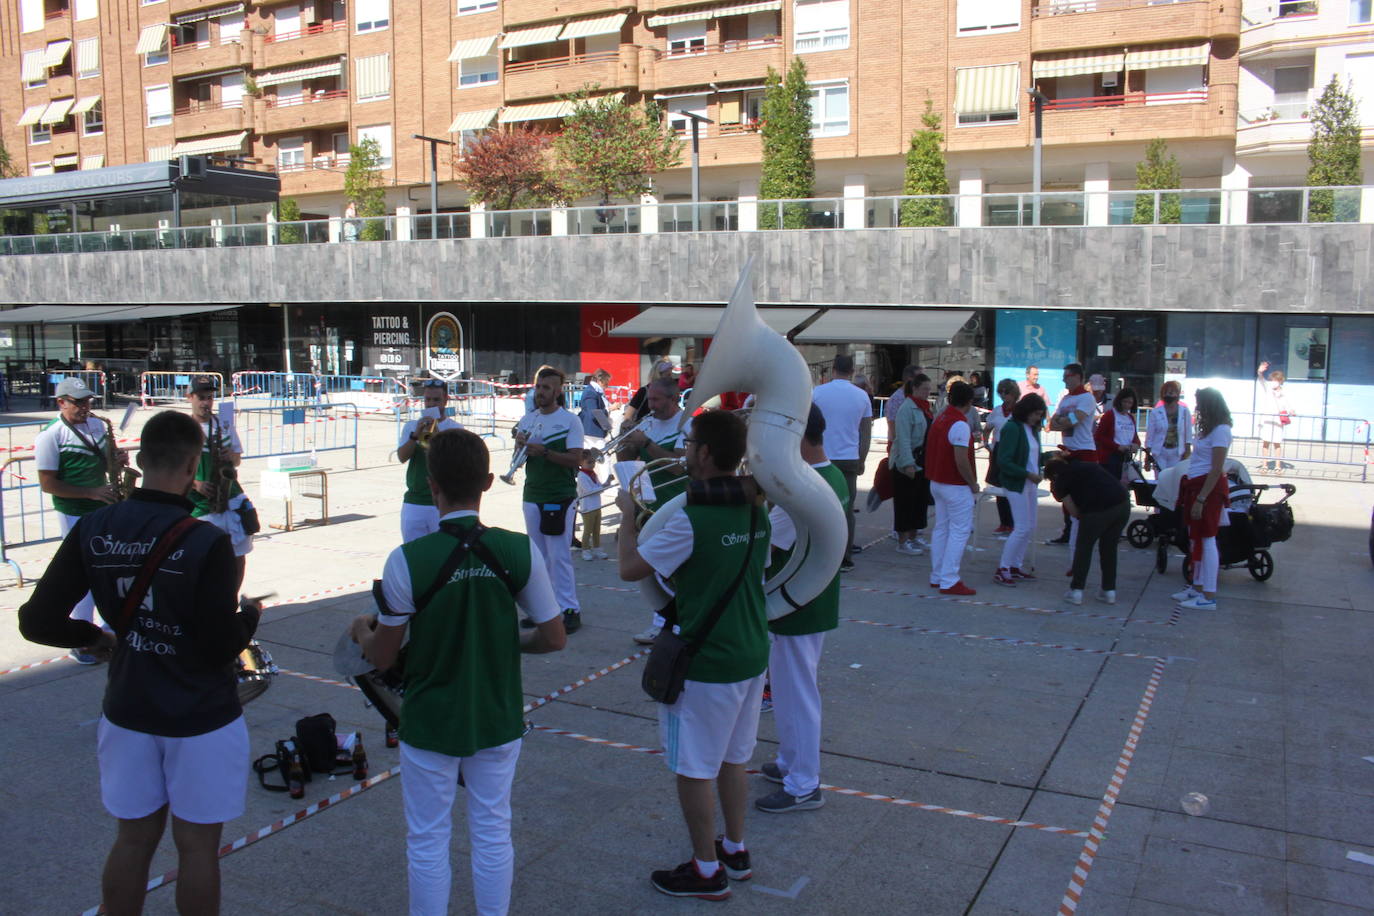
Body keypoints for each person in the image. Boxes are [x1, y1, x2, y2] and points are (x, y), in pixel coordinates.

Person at [19, 410, 261, 916]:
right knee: (197, 848)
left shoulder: (96, 526)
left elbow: (37, 619)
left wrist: (96, 636)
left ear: (139, 459)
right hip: (200, 714)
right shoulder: (204, 540)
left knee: (133, 840)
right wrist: (249, 619)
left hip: (129, 707)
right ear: (194, 462)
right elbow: (219, 647)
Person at [350, 428, 566, 916]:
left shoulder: (406, 560)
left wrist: (359, 632)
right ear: (488, 482)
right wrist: (504, 641)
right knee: (493, 831)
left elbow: (382, 658)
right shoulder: (519, 550)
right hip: (497, 714)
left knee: (427, 839)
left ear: (431, 485)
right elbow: (553, 638)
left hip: (429, 718)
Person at [616, 409, 770, 900]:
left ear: (704, 453)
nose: (684, 451)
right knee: (734, 759)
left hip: (707, 664)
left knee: (693, 768)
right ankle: (735, 849)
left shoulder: (689, 517)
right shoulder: (756, 509)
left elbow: (629, 568)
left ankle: (706, 871)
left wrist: (626, 516)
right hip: (750, 654)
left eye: (689, 444)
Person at [756, 405, 846, 813]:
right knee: (794, 693)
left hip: (797, 606)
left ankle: (804, 783)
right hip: (807, 602)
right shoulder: (832, 475)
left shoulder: (808, 487)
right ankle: (791, 763)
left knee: (797, 696)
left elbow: (766, 546)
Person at [34, 376, 125, 660]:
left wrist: (117, 460)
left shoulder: (98, 425)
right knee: (83, 578)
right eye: (78, 402)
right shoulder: (50, 436)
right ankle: (82, 641)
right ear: (61, 402)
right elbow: (48, 484)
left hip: (103, 508)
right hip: (74, 514)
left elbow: (107, 459)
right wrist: (90, 493)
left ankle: (109, 631)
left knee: (110, 572)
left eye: (87, 401)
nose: (85, 407)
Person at [515, 366, 585, 634]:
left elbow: (575, 459)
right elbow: (517, 461)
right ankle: (544, 610)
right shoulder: (528, 419)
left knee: (559, 556)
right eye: (538, 387)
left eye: (546, 388)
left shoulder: (569, 421)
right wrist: (520, 446)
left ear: (558, 392)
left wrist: (544, 452)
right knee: (538, 557)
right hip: (532, 494)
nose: (540, 392)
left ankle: (570, 610)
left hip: (559, 495)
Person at [622, 377, 690, 645]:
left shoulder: (687, 424)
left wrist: (646, 442)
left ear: (673, 399)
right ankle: (661, 622)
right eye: (649, 399)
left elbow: (680, 466)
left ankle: (675, 622)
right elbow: (625, 461)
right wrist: (627, 441)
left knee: (675, 573)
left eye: (656, 400)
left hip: (675, 505)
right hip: (648, 506)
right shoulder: (647, 423)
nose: (650, 405)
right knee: (651, 571)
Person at [186, 376, 257, 589]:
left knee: (238, 556)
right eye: (201, 398)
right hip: (201, 503)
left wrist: (230, 456)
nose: (206, 403)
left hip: (230, 497)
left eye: (210, 398)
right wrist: (195, 484)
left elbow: (237, 459)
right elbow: (174, 466)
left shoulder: (224, 424)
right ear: (190, 397)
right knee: (204, 560)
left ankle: (230, 604)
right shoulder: (184, 428)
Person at [1174, 388, 1233, 611]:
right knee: (1195, 538)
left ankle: (1208, 594)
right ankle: (1197, 585)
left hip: (1207, 488)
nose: (1197, 408)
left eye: (1200, 404)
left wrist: (1201, 498)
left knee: (1207, 539)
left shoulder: (1221, 430)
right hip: (1196, 484)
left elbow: (1216, 468)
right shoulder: (1208, 430)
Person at [811, 354, 871, 571]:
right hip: (849, 459)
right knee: (846, 509)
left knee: (816, 506)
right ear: (852, 371)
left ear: (833, 369)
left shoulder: (817, 393)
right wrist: (862, 460)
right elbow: (865, 433)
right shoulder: (862, 396)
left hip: (819, 458)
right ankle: (844, 558)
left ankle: (817, 553)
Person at [1044, 455, 1130, 606]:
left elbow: (1074, 512)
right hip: (1122, 504)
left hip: (1096, 511)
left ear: (1053, 475)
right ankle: (1109, 591)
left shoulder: (1060, 482)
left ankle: (1076, 591)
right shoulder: (1086, 464)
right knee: (1109, 549)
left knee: (1084, 549)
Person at [926, 381, 980, 596]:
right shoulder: (959, 424)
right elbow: (961, 460)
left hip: (937, 481)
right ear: (969, 401)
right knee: (959, 531)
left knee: (942, 528)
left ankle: (938, 575)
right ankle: (949, 579)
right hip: (954, 485)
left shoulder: (941, 417)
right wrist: (973, 483)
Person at [398, 380, 463, 543]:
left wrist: (437, 435)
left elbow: (453, 464)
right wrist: (415, 435)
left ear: (445, 400)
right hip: (415, 501)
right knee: (414, 554)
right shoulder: (412, 426)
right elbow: (401, 457)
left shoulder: (455, 429)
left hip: (443, 503)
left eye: (436, 400)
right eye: (427, 400)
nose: (431, 404)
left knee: (443, 554)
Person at [993, 394, 1046, 586]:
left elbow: (1033, 456)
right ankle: (1004, 568)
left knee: (1029, 526)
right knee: (1022, 527)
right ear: (1027, 411)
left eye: (1040, 415)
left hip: (1029, 483)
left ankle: (1015, 565)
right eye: (1036, 414)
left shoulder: (1032, 429)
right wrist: (1027, 474)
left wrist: (1052, 457)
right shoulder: (1012, 428)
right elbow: (1004, 461)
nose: (1038, 418)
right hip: (1016, 483)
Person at [1045, 363, 1098, 547]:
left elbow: (1074, 421)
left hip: (1084, 452)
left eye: (1067, 376)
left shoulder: (1087, 398)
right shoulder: (1065, 399)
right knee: (1066, 493)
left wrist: (1063, 421)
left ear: (1077, 377)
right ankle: (1068, 531)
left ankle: (1085, 532)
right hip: (1067, 452)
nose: (1063, 380)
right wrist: (1063, 422)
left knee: (1084, 495)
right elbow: (1053, 423)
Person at [890, 373, 932, 556]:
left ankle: (914, 537)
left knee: (919, 502)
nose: (927, 392)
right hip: (908, 462)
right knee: (905, 503)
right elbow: (903, 439)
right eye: (924, 389)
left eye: (929, 389)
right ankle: (902, 542)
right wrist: (908, 464)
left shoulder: (925, 408)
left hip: (922, 461)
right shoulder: (906, 409)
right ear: (914, 388)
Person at [984, 378, 1021, 536]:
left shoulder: (1020, 411)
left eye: (1007, 392)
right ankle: (1004, 523)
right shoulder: (997, 410)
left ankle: (1013, 523)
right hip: (998, 449)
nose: (1004, 395)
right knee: (999, 487)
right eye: (1001, 392)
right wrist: (987, 443)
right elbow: (988, 428)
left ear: (1014, 393)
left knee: (1011, 487)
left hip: (1013, 451)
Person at [1144, 381, 1192, 476]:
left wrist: (1187, 452)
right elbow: (1150, 435)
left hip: (1177, 452)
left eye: (1171, 392)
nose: (1168, 395)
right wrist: (1147, 457)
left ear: (1177, 394)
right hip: (1160, 452)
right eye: (1165, 393)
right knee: (1160, 479)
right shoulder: (1155, 412)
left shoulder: (1185, 412)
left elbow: (1188, 434)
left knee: (1175, 479)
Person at [1094, 387, 1140, 482]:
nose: (1127, 405)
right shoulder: (1110, 415)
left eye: (1130, 403)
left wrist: (1136, 444)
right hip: (1110, 458)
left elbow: (1135, 436)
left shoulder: (1130, 418)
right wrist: (1117, 447)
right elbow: (1098, 436)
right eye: (1125, 402)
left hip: (1126, 458)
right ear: (1120, 401)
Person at [1257, 361, 1291, 472]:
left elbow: (1288, 405)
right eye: (1272, 380)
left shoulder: (1284, 393)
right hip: (1267, 419)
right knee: (1265, 442)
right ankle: (1265, 465)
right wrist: (1260, 372)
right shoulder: (1268, 389)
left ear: (1280, 381)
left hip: (1277, 420)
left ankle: (1277, 465)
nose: (1274, 382)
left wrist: (1291, 411)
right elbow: (1262, 380)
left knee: (1277, 443)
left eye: (1276, 380)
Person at [623, 359, 676, 429]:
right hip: (641, 433)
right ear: (658, 375)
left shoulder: (668, 394)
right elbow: (628, 416)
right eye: (668, 375)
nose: (671, 378)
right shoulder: (644, 391)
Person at [576, 452, 608, 561]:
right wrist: (602, 487)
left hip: (596, 506)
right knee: (587, 530)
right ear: (581, 463)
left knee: (596, 530)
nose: (592, 464)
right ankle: (585, 550)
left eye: (593, 461)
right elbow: (589, 491)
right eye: (589, 462)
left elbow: (599, 487)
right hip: (588, 508)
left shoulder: (592, 473)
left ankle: (597, 549)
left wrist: (607, 483)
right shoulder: (581, 476)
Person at [578, 369, 613, 457]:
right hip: (592, 431)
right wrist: (610, 408)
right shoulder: (591, 392)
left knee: (591, 458)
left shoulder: (595, 392)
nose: (607, 385)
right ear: (599, 381)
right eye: (606, 382)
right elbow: (594, 413)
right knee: (603, 458)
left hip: (593, 430)